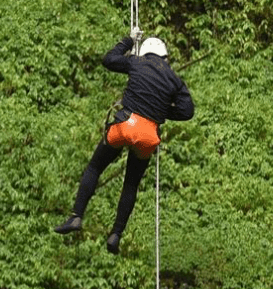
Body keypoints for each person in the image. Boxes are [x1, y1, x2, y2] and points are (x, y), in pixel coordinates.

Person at [54, 29, 194, 253]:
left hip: (125, 126)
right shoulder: (174, 79)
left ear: (146, 51)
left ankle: (76, 216)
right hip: (148, 136)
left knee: (95, 167)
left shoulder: (137, 62)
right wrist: (160, 111)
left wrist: (129, 40)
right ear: (165, 57)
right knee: (131, 184)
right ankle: (116, 234)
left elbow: (109, 60)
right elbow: (187, 111)